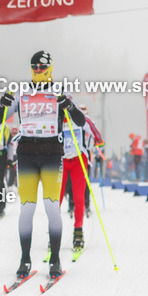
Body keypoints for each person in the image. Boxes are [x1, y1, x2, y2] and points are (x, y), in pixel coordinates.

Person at [0, 51, 84, 280]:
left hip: (52, 154)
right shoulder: (21, 91)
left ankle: (55, 260)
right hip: (27, 155)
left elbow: (80, 121)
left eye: (42, 67)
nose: (38, 70)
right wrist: (2, 105)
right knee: (27, 209)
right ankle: (25, 259)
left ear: (50, 68)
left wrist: (68, 105)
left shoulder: (60, 91)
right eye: (34, 67)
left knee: (52, 207)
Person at [60, 107, 103, 252]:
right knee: (56, 199)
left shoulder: (82, 119)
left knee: (79, 196)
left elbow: (98, 137)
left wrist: (97, 142)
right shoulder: (56, 118)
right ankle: (54, 233)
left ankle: (78, 231)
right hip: (61, 161)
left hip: (79, 160)